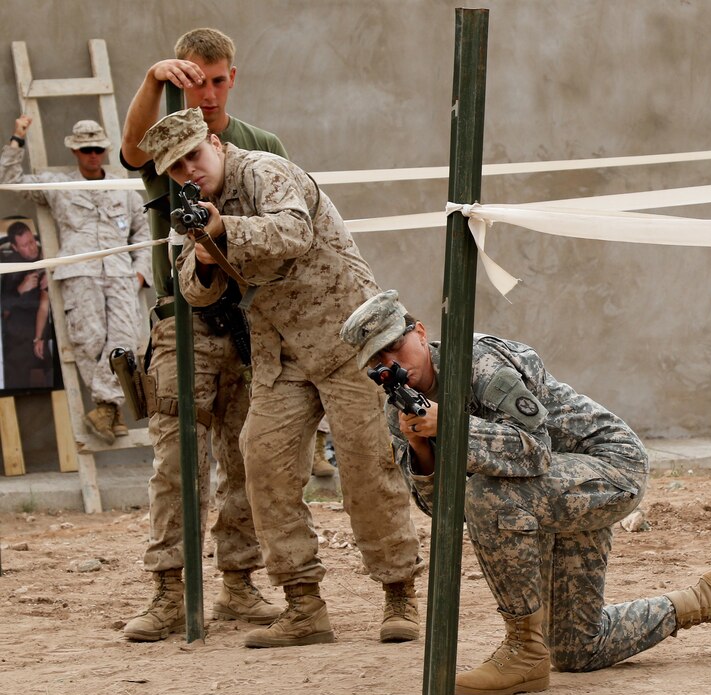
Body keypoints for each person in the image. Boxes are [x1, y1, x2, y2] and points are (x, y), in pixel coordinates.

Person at [341, 289, 711, 695]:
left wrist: (452, 426)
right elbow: (444, 512)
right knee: (577, 649)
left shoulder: (477, 362)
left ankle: (523, 651)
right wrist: (422, 450)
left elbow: (534, 452)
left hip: (607, 466)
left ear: (418, 332)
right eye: (377, 359)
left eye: (394, 346)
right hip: (553, 494)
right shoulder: (400, 408)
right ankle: (708, 599)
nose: (391, 362)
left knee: (491, 496)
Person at [139, 107, 422, 648]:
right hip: (282, 353)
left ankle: (398, 594)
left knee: (366, 470)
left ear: (215, 144)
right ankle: (302, 604)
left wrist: (227, 229)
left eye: (193, 157)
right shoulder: (198, 207)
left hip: (347, 343)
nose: (188, 172)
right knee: (262, 466)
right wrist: (203, 258)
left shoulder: (265, 171)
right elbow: (193, 291)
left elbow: (292, 231)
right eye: (174, 169)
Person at [117, 27, 289, 642]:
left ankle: (239, 582)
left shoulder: (258, 146)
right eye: (195, 79)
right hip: (183, 323)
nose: (207, 93)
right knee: (177, 461)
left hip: (247, 323)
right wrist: (152, 82)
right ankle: (168, 589)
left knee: (244, 462)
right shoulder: (172, 141)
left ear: (232, 78)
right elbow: (134, 152)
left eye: (217, 80)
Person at [1, 117, 150, 441]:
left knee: (124, 343)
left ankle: (105, 408)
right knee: (90, 340)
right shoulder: (59, 186)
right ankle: (110, 409)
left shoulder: (122, 186)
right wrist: (18, 137)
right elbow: (9, 178)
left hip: (120, 273)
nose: (92, 155)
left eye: (97, 149)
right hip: (80, 273)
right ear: (75, 151)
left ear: (105, 151)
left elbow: (145, 231)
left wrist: (141, 271)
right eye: (86, 150)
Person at [0, 221, 53, 389]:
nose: (32, 248)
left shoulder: (46, 253)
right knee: (18, 382)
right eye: (25, 245)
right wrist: (20, 290)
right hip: (18, 337)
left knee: (53, 377)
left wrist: (51, 277)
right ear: (15, 248)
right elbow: (3, 306)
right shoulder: (9, 268)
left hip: (45, 330)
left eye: (32, 242)